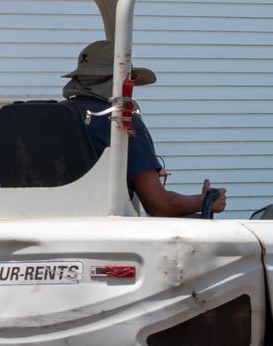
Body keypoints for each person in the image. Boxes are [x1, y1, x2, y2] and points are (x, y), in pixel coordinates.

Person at [64, 41, 226, 217]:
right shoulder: (119, 120)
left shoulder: (58, 116)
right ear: (120, 81)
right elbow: (158, 204)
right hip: (104, 233)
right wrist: (205, 200)